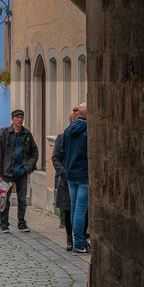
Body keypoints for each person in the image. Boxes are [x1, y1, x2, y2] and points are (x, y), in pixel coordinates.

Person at [0, 109, 39, 233]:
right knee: (4, 199)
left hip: (21, 172)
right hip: (7, 173)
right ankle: (4, 224)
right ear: (12, 119)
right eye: (17, 117)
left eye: (21, 117)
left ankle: (21, 223)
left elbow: (34, 152)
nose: (19, 120)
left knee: (22, 199)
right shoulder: (4, 134)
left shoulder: (27, 134)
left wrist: (28, 168)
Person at [59, 102, 90, 254]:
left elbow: (62, 150)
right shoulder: (88, 130)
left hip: (71, 174)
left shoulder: (68, 129)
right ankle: (79, 242)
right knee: (80, 209)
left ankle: (78, 240)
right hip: (83, 173)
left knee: (74, 208)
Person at [52, 107, 81, 250]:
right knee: (69, 210)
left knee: (82, 210)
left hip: (81, 177)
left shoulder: (86, 136)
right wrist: (64, 173)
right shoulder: (62, 138)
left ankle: (79, 238)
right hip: (67, 179)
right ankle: (70, 238)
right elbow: (56, 158)